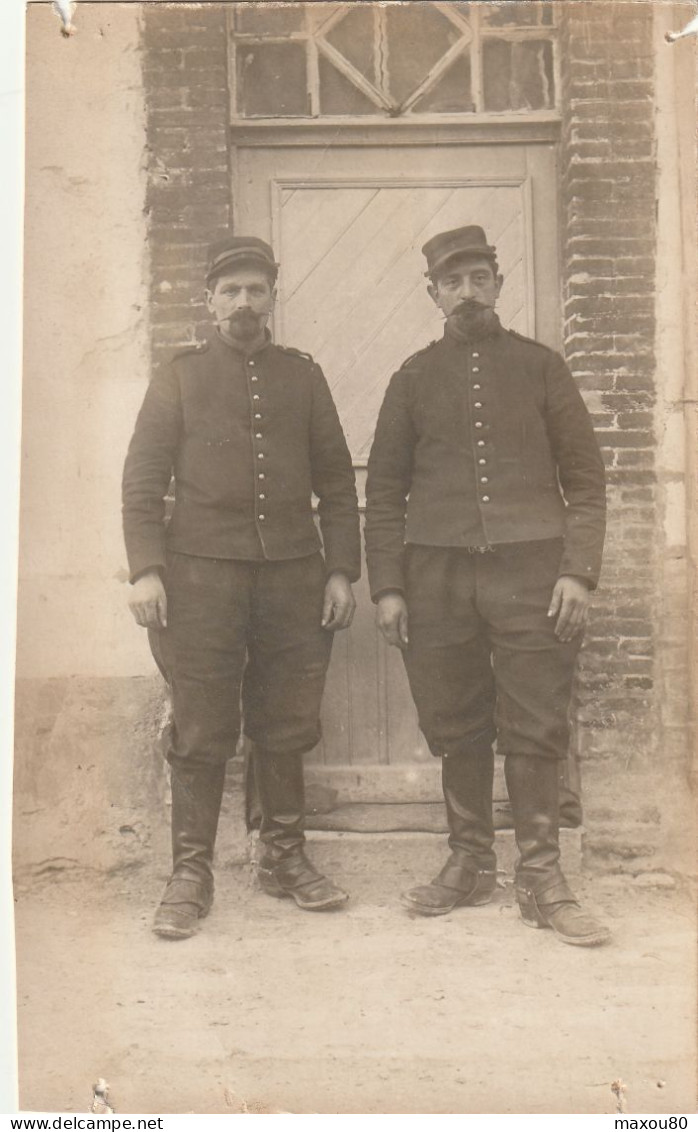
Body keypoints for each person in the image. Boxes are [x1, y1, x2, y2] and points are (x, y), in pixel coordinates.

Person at [365, 225, 609, 947]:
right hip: (436, 573)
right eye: (453, 282)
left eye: (479, 277)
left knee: (535, 717)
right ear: (433, 294)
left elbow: (587, 481)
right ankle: (470, 861)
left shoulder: (541, 369)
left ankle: (540, 876)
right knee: (456, 716)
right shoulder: (411, 378)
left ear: (499, 284)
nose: (467, 292)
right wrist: (389, 586)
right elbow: (383, 491)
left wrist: (577, 571)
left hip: (533, 570)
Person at [122, 235, 360, 939]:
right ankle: (190, 873)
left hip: (292, 575)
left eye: (257, 290)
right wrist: (145, 568)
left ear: (273, 298)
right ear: (209, 301)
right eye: (231, 292)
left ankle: (284, 856)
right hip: (199, 578)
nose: (244, 304)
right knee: (201, 726)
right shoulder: (180, 377)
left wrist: (340, 568)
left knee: (286, 719)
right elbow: (141, 482)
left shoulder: (302, 378)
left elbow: (338, 483)